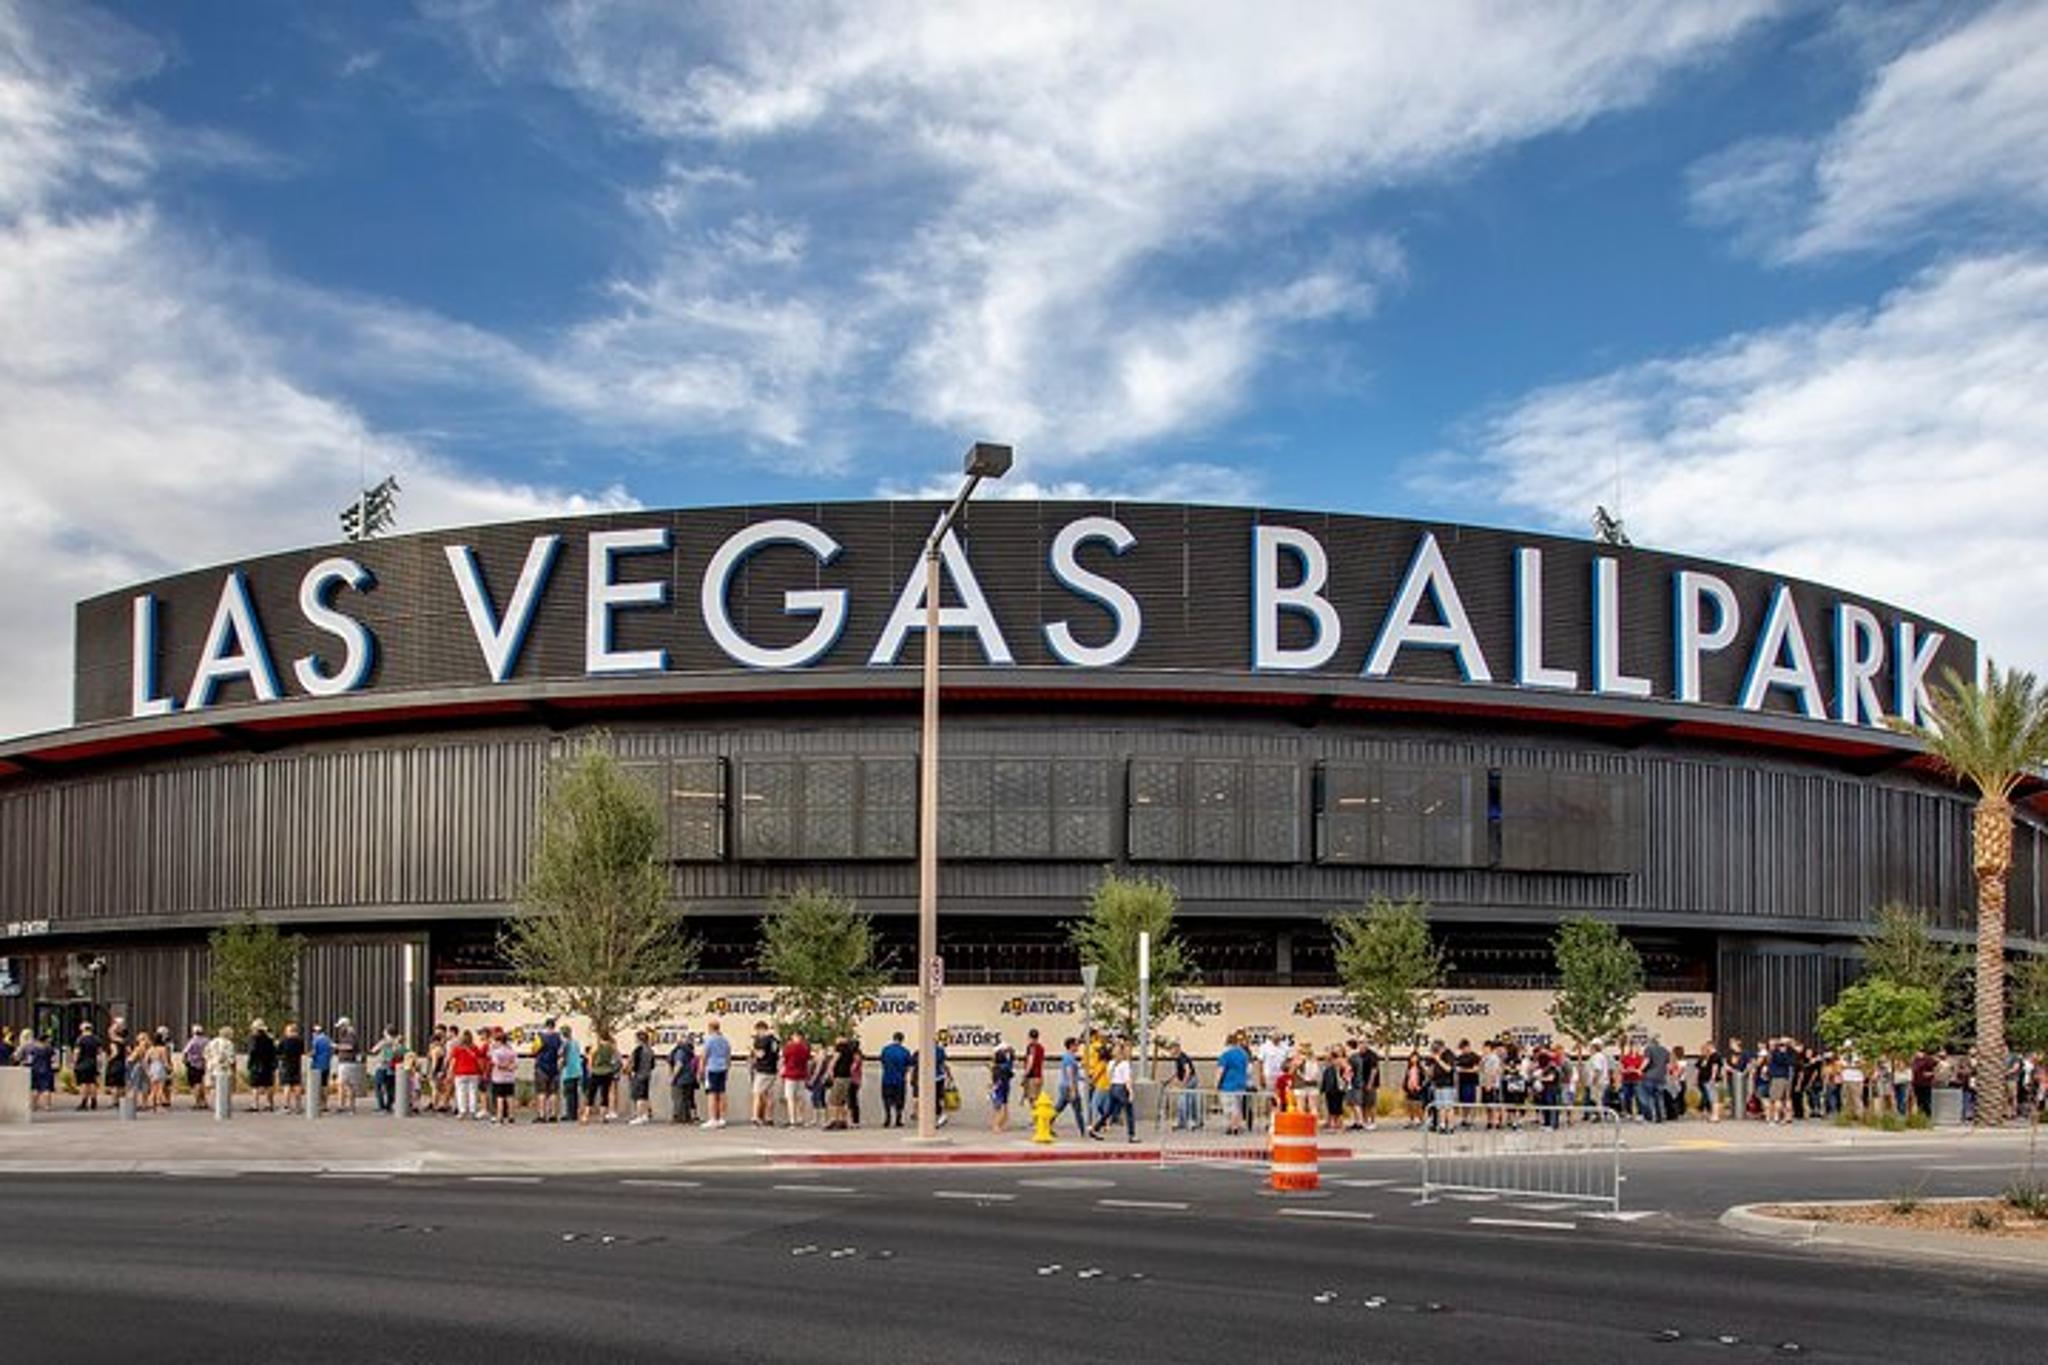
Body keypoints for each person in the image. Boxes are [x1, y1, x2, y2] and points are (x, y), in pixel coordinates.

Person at [1090, 1043, 1137, 1142]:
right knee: (1129, 1112)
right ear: (1122, 1052)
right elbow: (1127, 1079)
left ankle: (1095, 1128)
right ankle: (1132, 1135)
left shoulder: (1111, 1063)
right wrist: (1131, 1092)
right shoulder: (1125, 1064)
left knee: (1108, 1111)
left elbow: (1109, 1076)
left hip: (1112, 1087)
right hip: (1121, 1088)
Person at [1054, 1036, 1092, 1137]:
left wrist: (1084, 1079)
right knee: (1077, 1110)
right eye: (1076, 1045)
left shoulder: (1068, 1057)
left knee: (1059, 1108)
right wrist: (1073, 1090)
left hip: (1065, 1086)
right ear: (1071, 1046)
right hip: (1069, 1087)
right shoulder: (1069, 1058)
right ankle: (1083, 1132)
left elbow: (1075, 1074)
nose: (1078, 1046)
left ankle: (1047, 1124)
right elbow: (1070, 1073)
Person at [698, 1018, 732, 1129]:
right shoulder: (725, 1040)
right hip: (723, 1068)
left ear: (710, 1028)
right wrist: (727, 1068)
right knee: (722, 1094)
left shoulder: (709, 1040)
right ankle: (722, 1118)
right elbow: (728, 1056)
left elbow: (704, 1056)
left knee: (712, 1094)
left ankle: (713, 1118)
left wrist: (701, 1070)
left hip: (712, 1068)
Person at [878, 1032, 913, 1128]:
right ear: (902, 1040)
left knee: (886, 1099)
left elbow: (882, 1062)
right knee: (900, 1100)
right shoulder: (905, 1051)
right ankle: (898, 1119)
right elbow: (909, 1065)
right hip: (900, 1080)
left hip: (887, 1079)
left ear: (893, 1038)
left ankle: (887, 1118)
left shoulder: (885, 1050)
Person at [779, 1029, 812, 1128]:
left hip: (790, 1075)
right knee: (800, 1098)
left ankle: (792, 1120)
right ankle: (800, 1119)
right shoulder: (805, 1048)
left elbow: (783, 1060)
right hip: (801, 1075)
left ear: (794, 1036)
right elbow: (808, 1061)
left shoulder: (788, 1048)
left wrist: (781, 1071)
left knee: (790, 1098)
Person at [749, 1021, 780, 1126]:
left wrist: (752, 1049)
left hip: (763, 1070)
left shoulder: (764, 1040)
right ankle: (769, 1118)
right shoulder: (775, 1040)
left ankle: (755, 1117)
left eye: (757, 1031)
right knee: (769, 1095)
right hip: (773, 1070)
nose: (757, 1034)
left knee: (757, 1094)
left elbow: (760, 1055)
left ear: (761, 1029)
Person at [824, 1034, 858, 1131]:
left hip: (839, 1077)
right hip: (847, 1077)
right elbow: (855, 1062)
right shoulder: (851, 1049)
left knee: (833, 1100)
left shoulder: (839, 1048)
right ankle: (842, 1121)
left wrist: (830, 1073)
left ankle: (834, 1120)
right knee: (842, 1101)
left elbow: (834, 1061)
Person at [532, 1018, 563, 1124]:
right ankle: (553, 1115)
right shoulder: (558, 1037)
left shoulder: (540, 1037)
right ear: (554, 1026)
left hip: (542, 1066)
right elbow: (561, 1052)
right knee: (553, 1092)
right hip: (554, 1067)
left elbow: (534, 1050)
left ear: (546, 1026)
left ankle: (542, 1115)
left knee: (542, 1092)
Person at [586, 1032, 620, 1124]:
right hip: (607, 1072)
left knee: (591, 1094)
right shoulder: (612, 1048)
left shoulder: (596, 1047)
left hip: (596, 1072)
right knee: (604, 1094)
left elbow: (590, 1057)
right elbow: (616, 1058)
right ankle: (603, 1116)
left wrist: (590, 1069)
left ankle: (586, 1116)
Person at [450, 1028, 484, 1120]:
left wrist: (450, 1072)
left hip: (460, 1073)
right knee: (473, 1092)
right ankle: (473, 1111)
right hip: (473, 1072)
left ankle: (462, 1111)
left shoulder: (457, 1049)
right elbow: (479, 1058)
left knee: (460, 1092)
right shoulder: (474, 1048)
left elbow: (453, 1061)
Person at [487, 1028, 518, 1124]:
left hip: (498, 1078)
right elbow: (516, 1064)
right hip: (510, 1078)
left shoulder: (496, 1052)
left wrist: (504, 1067)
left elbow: (497, 1064)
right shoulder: (512, 1051)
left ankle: (499, 1117)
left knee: (499, 1097)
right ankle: (511, 1116)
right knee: (510, 1096)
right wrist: (510, 1068)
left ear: (499, 1041)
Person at [246, 1020, 278, 1112]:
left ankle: (255, 1104)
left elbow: (252, 1052)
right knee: (268, 1084)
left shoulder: (253, 1039)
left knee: (255, 1085)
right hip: (268, 1064)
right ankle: (269, 1104)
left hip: (256, 1064)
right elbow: (274, 1052)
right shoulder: (269, 1039)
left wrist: (250, 1063)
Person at [372, 1026, 405, 1114]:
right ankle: (389, 1106)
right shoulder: (399, 1043)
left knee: (378, 1086)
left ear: (387, 1032)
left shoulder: (384, 1042)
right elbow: (401, 1053)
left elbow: (374, 1050)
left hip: (382, 1066)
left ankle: (381, 1106)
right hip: (393, 1068)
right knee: (390, 1087)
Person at [668, 1031, 699, 1125]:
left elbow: (679, 1064)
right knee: (688, 1098)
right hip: (690, 1077)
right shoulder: (690, 1051)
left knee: (678, 1097)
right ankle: (688, 1117)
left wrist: (673, 1077)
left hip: (681, 1078)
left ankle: (679, 1117)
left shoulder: (680, 1051)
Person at [333, 1017, 362, 1114]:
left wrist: (336, 1046)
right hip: (347, 1062)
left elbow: (350, 1046)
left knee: (343, 1084)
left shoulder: (350, 1035)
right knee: (347, 1085)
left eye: (340, 1026)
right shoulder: (347, 1034)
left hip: (347, 1062)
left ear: (345, 1025)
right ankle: (347, 1106)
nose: (339, 1029)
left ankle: (343, 1106)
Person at [71, 1021, 102, 1111]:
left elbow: (77, 1052)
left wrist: (74, 1062)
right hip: (93, 1062)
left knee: (84, 1083)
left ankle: (84, 1102)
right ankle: (93, 1101)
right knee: (92, 1082)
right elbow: (99, 1052)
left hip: (82, 1062)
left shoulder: (80, 1039)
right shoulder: (96, 1039)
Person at [1170, 1041, 1201, 1130]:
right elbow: (1178, 1072)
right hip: (1191, 1079)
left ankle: (1187, 1121)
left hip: (1190, 1080)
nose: (1170, 1052)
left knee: (1185, 1100)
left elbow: (1187, 1071)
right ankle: (1187, 1121)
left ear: (1176, 1049)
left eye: (1171, 1049)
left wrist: (1183, 1083)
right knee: (1187, 1099)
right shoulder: (1178, 1058)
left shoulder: (1182, 1057)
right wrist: (1173, 1081)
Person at [627, 1030, 656, 1125]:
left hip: (638, 1074)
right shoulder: (650, 1050)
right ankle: (645, 1115)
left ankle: (639, 1116)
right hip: (647, 1074)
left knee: (638, 1096)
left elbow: (633, 1062)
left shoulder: (638, 1049)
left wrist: (630, 1071)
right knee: (644, 1096)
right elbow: (653, 1065)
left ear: (639, 1039)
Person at [23, 1031, 57, 1112]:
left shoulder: (33, 1049)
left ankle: (34, 1106)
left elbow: (29, 1060)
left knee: (35, 1088)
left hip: (35, 1070)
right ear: (45, 1040)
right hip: (46, 1070)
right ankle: (47, 1106)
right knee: (46, 1089)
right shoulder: (49, 1049)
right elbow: (54, 1060)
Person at [204, 1026, 237, 1108]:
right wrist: (234, 1069)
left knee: (214, 1086)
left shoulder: (212, 1042)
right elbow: (231, 1058)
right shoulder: (229, 1043)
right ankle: (225, 1103)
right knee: (226, 1086)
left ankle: (216, 1103)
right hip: (224, 1067)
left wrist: (209, 1061)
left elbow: (205, 1053)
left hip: (212, 1066)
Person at [560, 1024, 586, 1124]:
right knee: (574, 1093)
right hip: (577, 1070)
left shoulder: (566, 1044)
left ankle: (569, 1114)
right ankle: (574, 1114)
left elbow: (563, 1057)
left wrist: (561, 1065)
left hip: (568, 1071)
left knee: (569, 1094)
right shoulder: (576, 1043)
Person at [278, 1022, 306, 1113]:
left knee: (287, 1085)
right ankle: (298, 1106)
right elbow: (302, 1052)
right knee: (297, 1085)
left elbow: (278, 1052)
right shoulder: (300, 1041)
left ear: (288, 1031)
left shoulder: (284, 1041)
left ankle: (287, 1106)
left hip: (286, 1064)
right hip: (297, 1064)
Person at [989, 1040, 1016, 1132]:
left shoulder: (997, 1067)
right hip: (1004, 1085)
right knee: (1003, 1105)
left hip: (999, 1086)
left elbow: (995, 1079)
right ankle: (1000, 1124)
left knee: (998, 1107)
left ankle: (997, 1125)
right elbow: (1012, 1058)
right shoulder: (1007, 1066)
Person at [308, 1024, 334, 1113]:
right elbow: (331, 1052)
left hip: (317, 1065)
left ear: (315, 1032)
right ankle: (325, 1104)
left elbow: (314, 1052)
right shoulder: (328, 1039)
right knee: (325, 1085)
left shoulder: (316, 1040)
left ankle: (318, 1104)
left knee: (317, 1086)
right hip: (326, 1065)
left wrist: (309, 1054)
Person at [184, 1025, 210, 1109]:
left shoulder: (193, 1041)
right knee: (201, 1082)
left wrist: (185, 1061)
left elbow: (186, 1051)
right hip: (203, 1063)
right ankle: (204, 1101)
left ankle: (197, 1102)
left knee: (195, 1083)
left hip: (193, 1063)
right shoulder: (207, 1040)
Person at [1022, 1028, 1046, 1106]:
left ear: (1029, 1037)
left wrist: (1025, 1075)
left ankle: (1036, 1117)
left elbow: (1030, 1062)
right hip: (1039, 1076)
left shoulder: (1031, 1047)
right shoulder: (1041, 1048)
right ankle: (1037, 1117)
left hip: (1032, 1077)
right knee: (1037, 1099)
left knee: (1032, 1101)